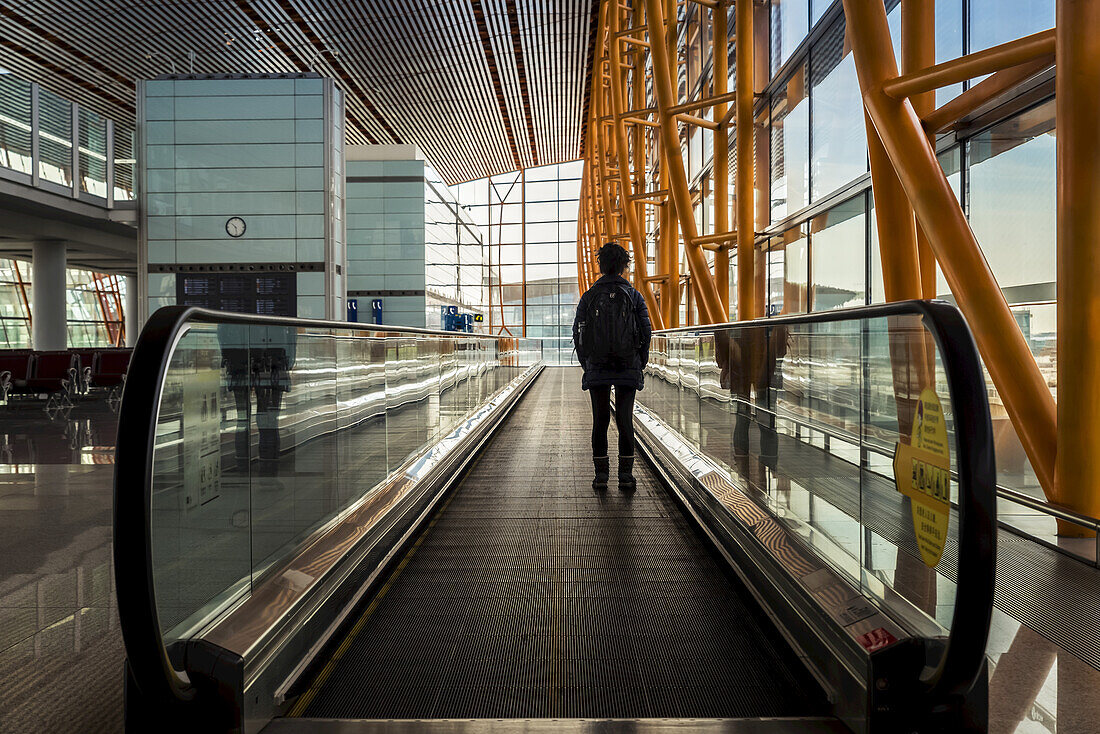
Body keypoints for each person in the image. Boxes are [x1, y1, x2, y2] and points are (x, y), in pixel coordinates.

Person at [572, 242, 652, 491]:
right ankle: (626, 477)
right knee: (625, 419)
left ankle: (601, 476)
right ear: (624, 266)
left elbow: (578, 331)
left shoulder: (589, 296)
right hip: (628, 364)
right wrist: (641, 359)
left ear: (601, 265)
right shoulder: (634, 295)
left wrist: (587, 363)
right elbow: (646, 331)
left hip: (598, 365)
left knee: (600, 420)